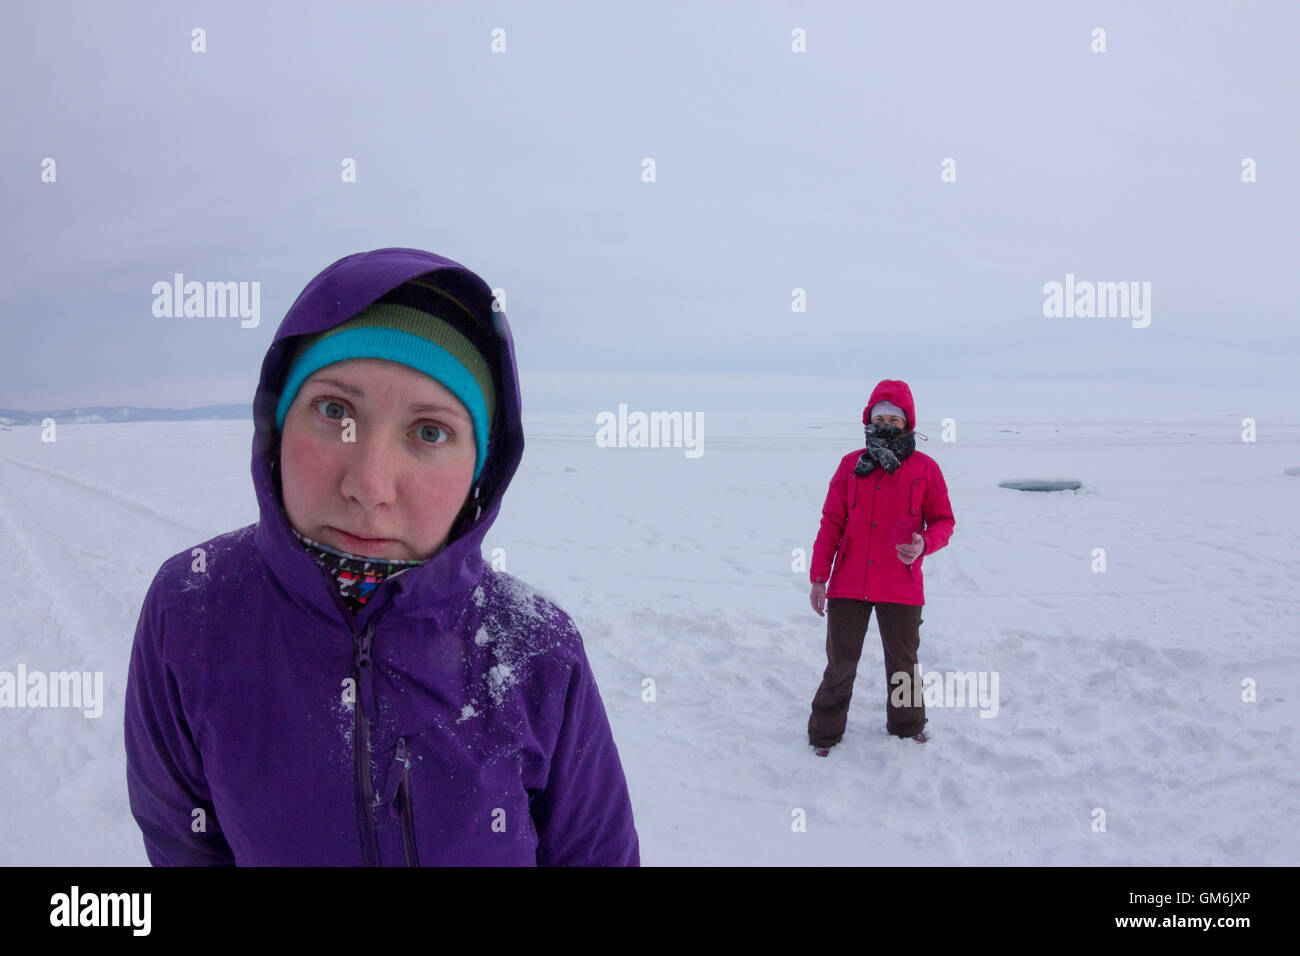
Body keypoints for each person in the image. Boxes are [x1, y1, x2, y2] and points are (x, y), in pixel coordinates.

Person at [124, 247, 639, 865]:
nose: (369, 485)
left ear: (480, 469)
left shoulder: (537, 651)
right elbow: (183, 843)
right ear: (279, 424)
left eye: (429, 432)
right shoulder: (191, 610)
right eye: (335, 411)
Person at [806, 379, 955, 752]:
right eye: (880, 417)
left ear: (908, 423)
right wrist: (818, 578)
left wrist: (924, 543)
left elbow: (943, 521)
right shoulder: (850, 466)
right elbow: (831, 524)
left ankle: (908, 726)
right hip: (849, 584)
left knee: (903, 664)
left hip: (901, 585)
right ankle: (824, 733)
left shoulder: (925, 469)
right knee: (840, 665)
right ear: (869, 420)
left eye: (895, 418)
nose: (887, 423)